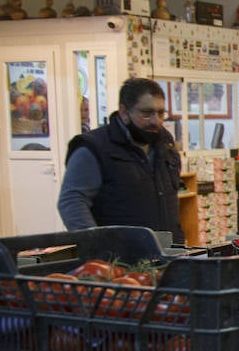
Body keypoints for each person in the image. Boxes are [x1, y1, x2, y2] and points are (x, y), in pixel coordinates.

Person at [57, 77, 183, 241]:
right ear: (124, 112)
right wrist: (97, 246)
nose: (155, 121)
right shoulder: (95, 148)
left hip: (169, 254)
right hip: (120, 259)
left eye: (160, 113)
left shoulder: (165, 144)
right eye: (146, 113)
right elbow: (72, 202)